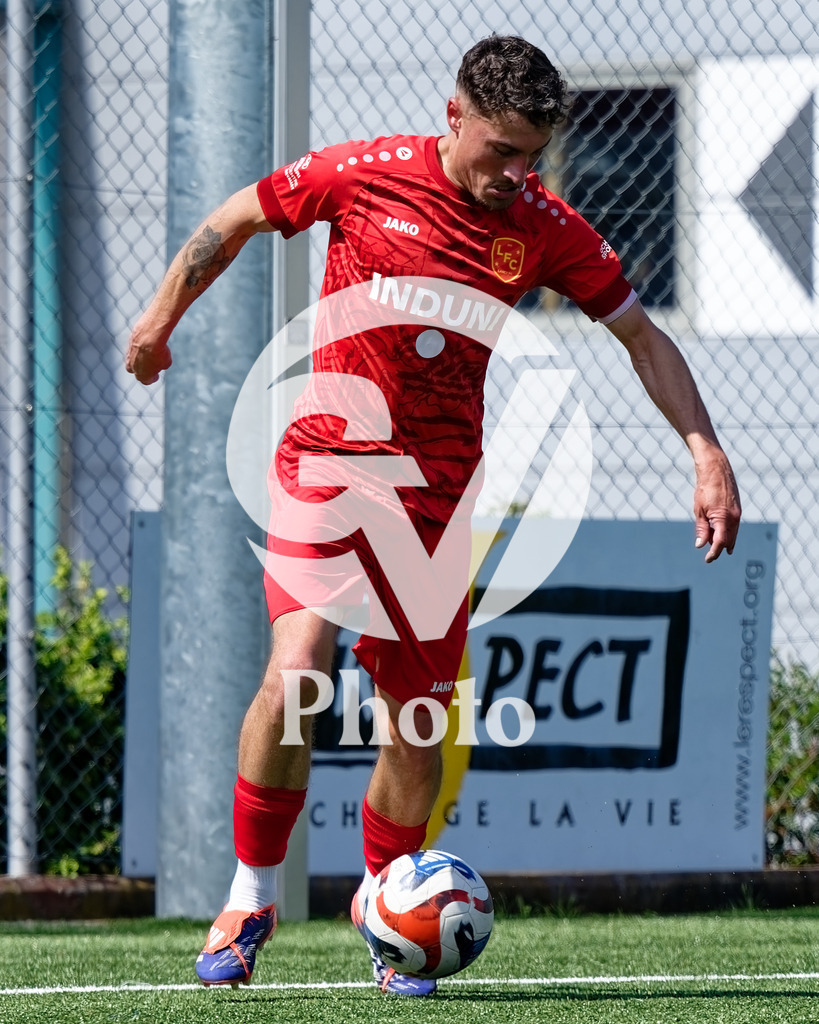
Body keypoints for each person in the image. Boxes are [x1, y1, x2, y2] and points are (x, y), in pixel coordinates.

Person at [126, 35, 741, 997]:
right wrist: (160, 319)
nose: (517, 173)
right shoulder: (362, 175)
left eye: (532, 155)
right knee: (296, 673)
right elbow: (234, 217)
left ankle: (391, 913)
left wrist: (704, 450)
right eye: (502, 150)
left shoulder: (543, 226)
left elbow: (641, 336)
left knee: (417, 720)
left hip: (436, 500)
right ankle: (249, 899)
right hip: (328, 467)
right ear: (454, 116)